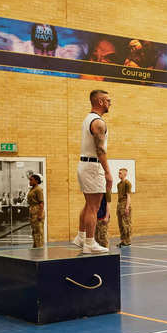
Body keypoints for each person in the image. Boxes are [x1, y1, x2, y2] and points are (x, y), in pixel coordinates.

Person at [74, 89, 112, 254]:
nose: (111, 103)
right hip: (92, 166)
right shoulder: (98, 123)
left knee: (89, 204)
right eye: (108, 100)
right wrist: (108, 172)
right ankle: (89, 243)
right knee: (93, 207)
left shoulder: (88, 119)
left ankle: (81, 236)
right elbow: (100, 150)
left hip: (85, 165)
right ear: (101, 102)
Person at [27, 173, 44, 248]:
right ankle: (36, 246)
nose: (29, 181)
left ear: (36, 181)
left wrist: (40, 215)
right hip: (32, 210)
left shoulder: (38, 189)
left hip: (37, 211)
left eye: (31, 180)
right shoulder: (32, 189)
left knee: (38, 231)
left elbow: (41, 203)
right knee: (34, 231)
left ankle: (39, 247)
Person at [116, 168, 132, 247]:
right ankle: (123, 240)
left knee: (126, 223)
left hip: (125, 203)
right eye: (118, 173)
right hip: (119, 204)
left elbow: (128, 196)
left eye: (120, 173)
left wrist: (127, 207)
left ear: (125, 174)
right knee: (121, 224)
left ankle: (127, 240)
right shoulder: (118, 184)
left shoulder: (127, 183)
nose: (119, 175)